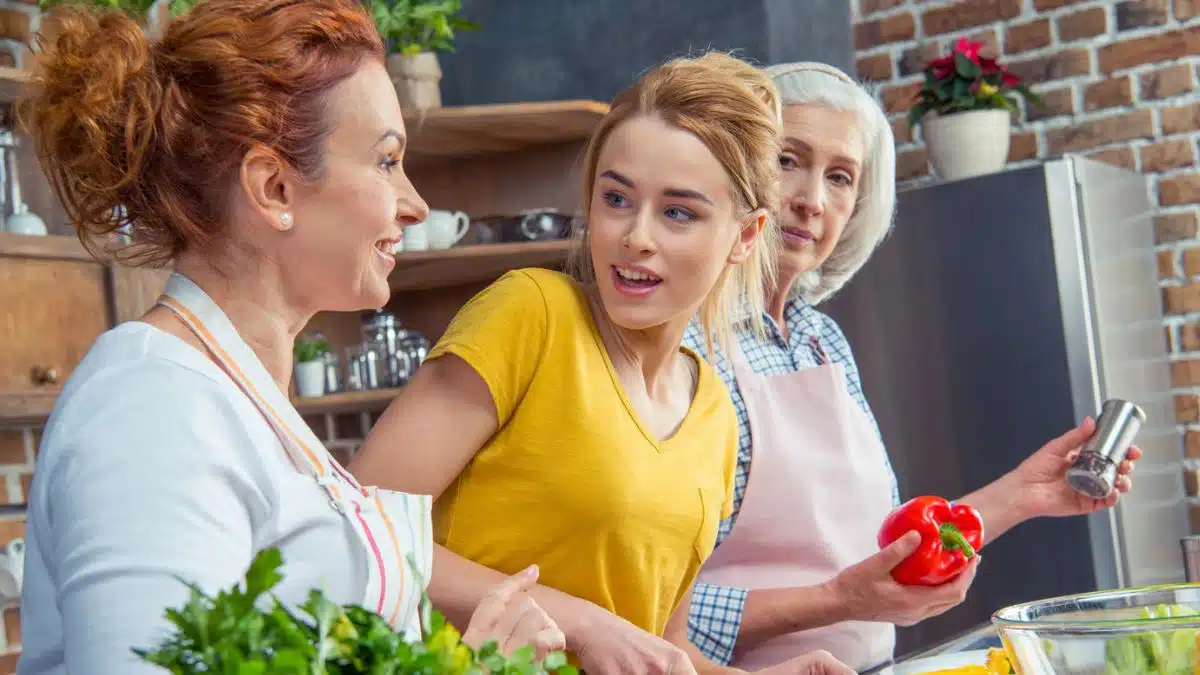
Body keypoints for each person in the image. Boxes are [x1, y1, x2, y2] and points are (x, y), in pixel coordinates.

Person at [15, 2, 566, 673]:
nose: (414, 204)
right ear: (274, 187)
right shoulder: (153, 409)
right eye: (387, 161)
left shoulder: (240, 402)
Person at [349, 53, 852, 675]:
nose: (635, 236)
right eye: (617, 198)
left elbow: (658, 650)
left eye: (678, 212)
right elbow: (355, 525)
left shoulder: (714, 415)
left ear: (746, 236)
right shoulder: (530, 315)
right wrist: (578, 622)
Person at [681, 61, 1143, 673]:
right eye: (787, 160)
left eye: (840, 177)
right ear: (737, 169)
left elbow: (884, 551)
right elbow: (648, 607)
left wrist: (1025, 495)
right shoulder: (686, 340)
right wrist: (838, 601)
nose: (812, 200)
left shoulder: (822, 340)